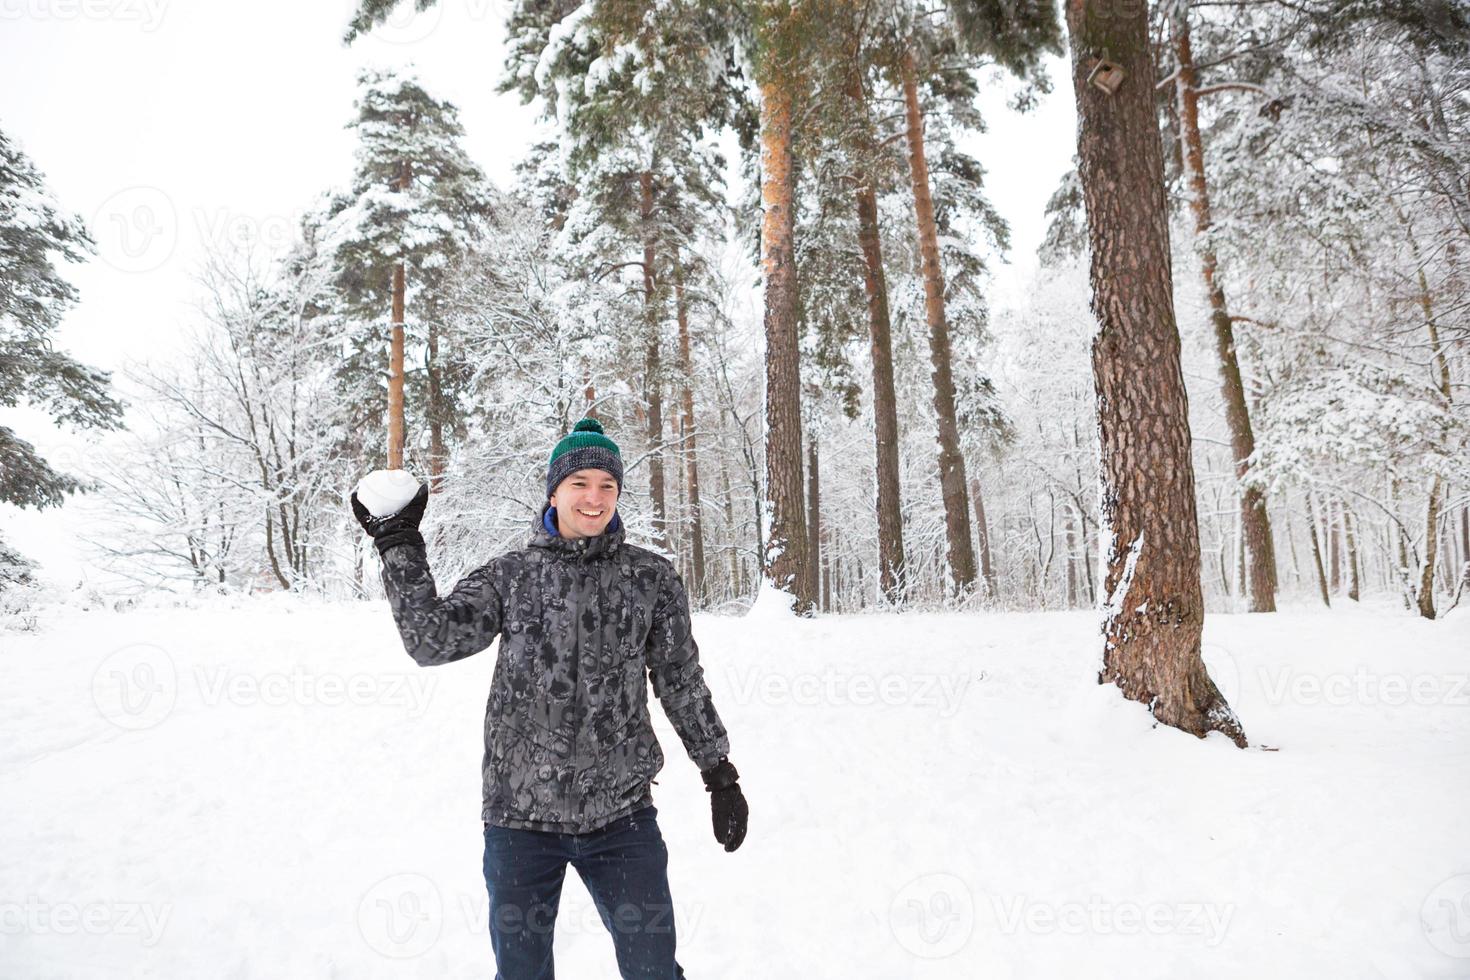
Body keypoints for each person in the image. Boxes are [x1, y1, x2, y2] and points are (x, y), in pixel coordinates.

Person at [351, 417, 747, 980]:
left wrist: (719, 771)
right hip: (519, 820)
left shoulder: (651, 578)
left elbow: (680, 678)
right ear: (554, 491)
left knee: (654, 971)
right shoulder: (510, 577)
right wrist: (398, 544)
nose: (594, 498)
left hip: (622, 817)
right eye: (580, 483)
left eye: (607, 485)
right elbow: (431, 640)